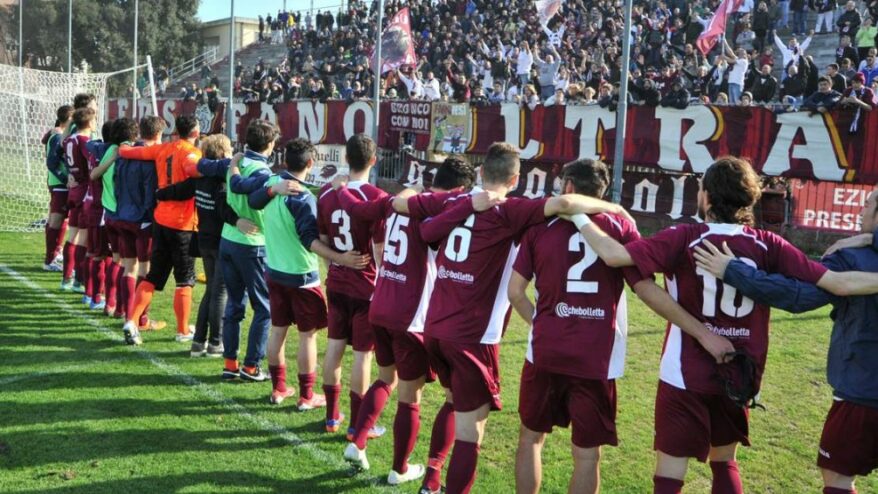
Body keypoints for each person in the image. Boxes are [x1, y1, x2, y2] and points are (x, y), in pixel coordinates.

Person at [566, 156, 878, 494]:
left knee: (670, 473)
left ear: (707, 197)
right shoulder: (767, 244)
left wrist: (576, 212)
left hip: (683, 373)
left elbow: (613, 256)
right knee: (724, 462)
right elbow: (841, 284)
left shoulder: (684, 236)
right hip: (740, 373)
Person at [392, 142, 637, 494]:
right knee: (471, 430)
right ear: (516, 178)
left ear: (480, 171)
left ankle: (431, 478)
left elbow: (414, 218)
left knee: (457, 404)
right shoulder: (512, 211)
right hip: (474, 335)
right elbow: (565, 205)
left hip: (435, 327)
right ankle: (442, 486)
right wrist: (614, 206)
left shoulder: (454, 201)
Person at [508, 159, 730, 494]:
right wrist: (699, 330)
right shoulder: (620, 227)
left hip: (545, 350)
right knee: (586, 455)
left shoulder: (541, 226)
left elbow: (515, 292)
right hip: (596, 356)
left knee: (530, 439)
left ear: (568, 187)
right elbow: (644, 288)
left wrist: (541, 323)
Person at [692, 190, 878, 494]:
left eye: (868, 205)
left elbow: (798, 296)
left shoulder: (855, 259)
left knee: (837, 476)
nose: (860, 211)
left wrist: (733, 271)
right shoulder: (856, 252)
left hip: (864, 394)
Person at [335, 157, 497, 487]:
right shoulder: (440, 209)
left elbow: (364, 212)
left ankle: (359, 438)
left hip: (380, 301)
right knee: (416, 396)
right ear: (462, 188)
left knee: (385, 379)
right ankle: (401, 469)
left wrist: (341, 189)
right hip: (411, 314)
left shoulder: (404, 200)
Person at [245, 138, 367, 407]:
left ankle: (278, 389)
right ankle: (306, 396)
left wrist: (273, 189)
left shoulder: (273, 184)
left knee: (277, 330)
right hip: (301, 277)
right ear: (311, 163)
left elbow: (253, 201)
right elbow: (309, 241)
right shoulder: (302, 197)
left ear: (284, 160)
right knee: (307, 336)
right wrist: (341, 259)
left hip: (274, 271)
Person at [317, 134, 387, 437]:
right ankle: (357, 423)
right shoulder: (377, 197)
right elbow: (380, 251)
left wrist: (336, 263)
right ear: (373, 160)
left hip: (336, 282)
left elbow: (322, 241)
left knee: (334, 347)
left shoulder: (325, 194)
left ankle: (332, 416)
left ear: (346, 158)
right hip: (366, 285)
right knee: (363, 354)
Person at [117, 115, 202, 345]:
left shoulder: (162, 149)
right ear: (195, 133)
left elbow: (130, 153)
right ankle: (183, 330)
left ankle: (132, 321)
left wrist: (122, 146)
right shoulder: (191, 153)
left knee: (153, 276)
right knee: (184, 279)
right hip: (182, 224)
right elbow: (194, 169)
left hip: (160, 221)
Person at [152, 134, 239, 358]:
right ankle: (215, 343)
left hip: (204, 241)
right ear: (222, 153)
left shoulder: (199, 178)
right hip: (219, 241)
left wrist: (160, 193)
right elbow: (223, 210)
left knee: (211, 290)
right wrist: (240, 220)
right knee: (220, 292)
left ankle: (199, 342)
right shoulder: (220, 181)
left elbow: (179, 190)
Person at [112, 116, 164, 331]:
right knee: (144, 267)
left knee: (128, 266)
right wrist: (150, 215)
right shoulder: (150, 158)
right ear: (159, 135)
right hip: (141, 219)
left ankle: (126, 312)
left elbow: (116, 184)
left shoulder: (125, 154)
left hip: (122, 215)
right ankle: (140, 319)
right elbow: (149, 192)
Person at [60, 105, 97, 293]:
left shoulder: (68, 139)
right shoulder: (84, 141)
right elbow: (91, 165)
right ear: (89, 122)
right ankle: (78, 281)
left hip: (73, 190)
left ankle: (66, 277)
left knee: (72, 235)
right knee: (83, 237)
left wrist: (70, 175)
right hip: (83, 190)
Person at [42, 105, 73, 272]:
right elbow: (52, 163)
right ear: (69, 119)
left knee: (61, 219)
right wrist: (65, 178)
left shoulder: (56, 134)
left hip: (58, 184)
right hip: (59, 184)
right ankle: (50, 258)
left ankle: (55, 252)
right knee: (56, 219)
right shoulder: (58, 136)